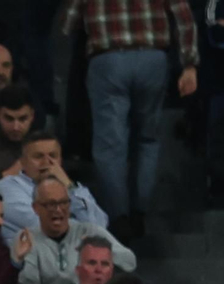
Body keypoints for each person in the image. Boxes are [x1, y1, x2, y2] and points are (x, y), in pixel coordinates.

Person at [62, 0, 197, 237]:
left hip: (108, 59)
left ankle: (119, 215)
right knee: (148, 139)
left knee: (110, 144)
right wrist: (189, 64)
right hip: (153, 58)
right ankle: (139, 212)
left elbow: (69, 24)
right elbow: (184, 19)